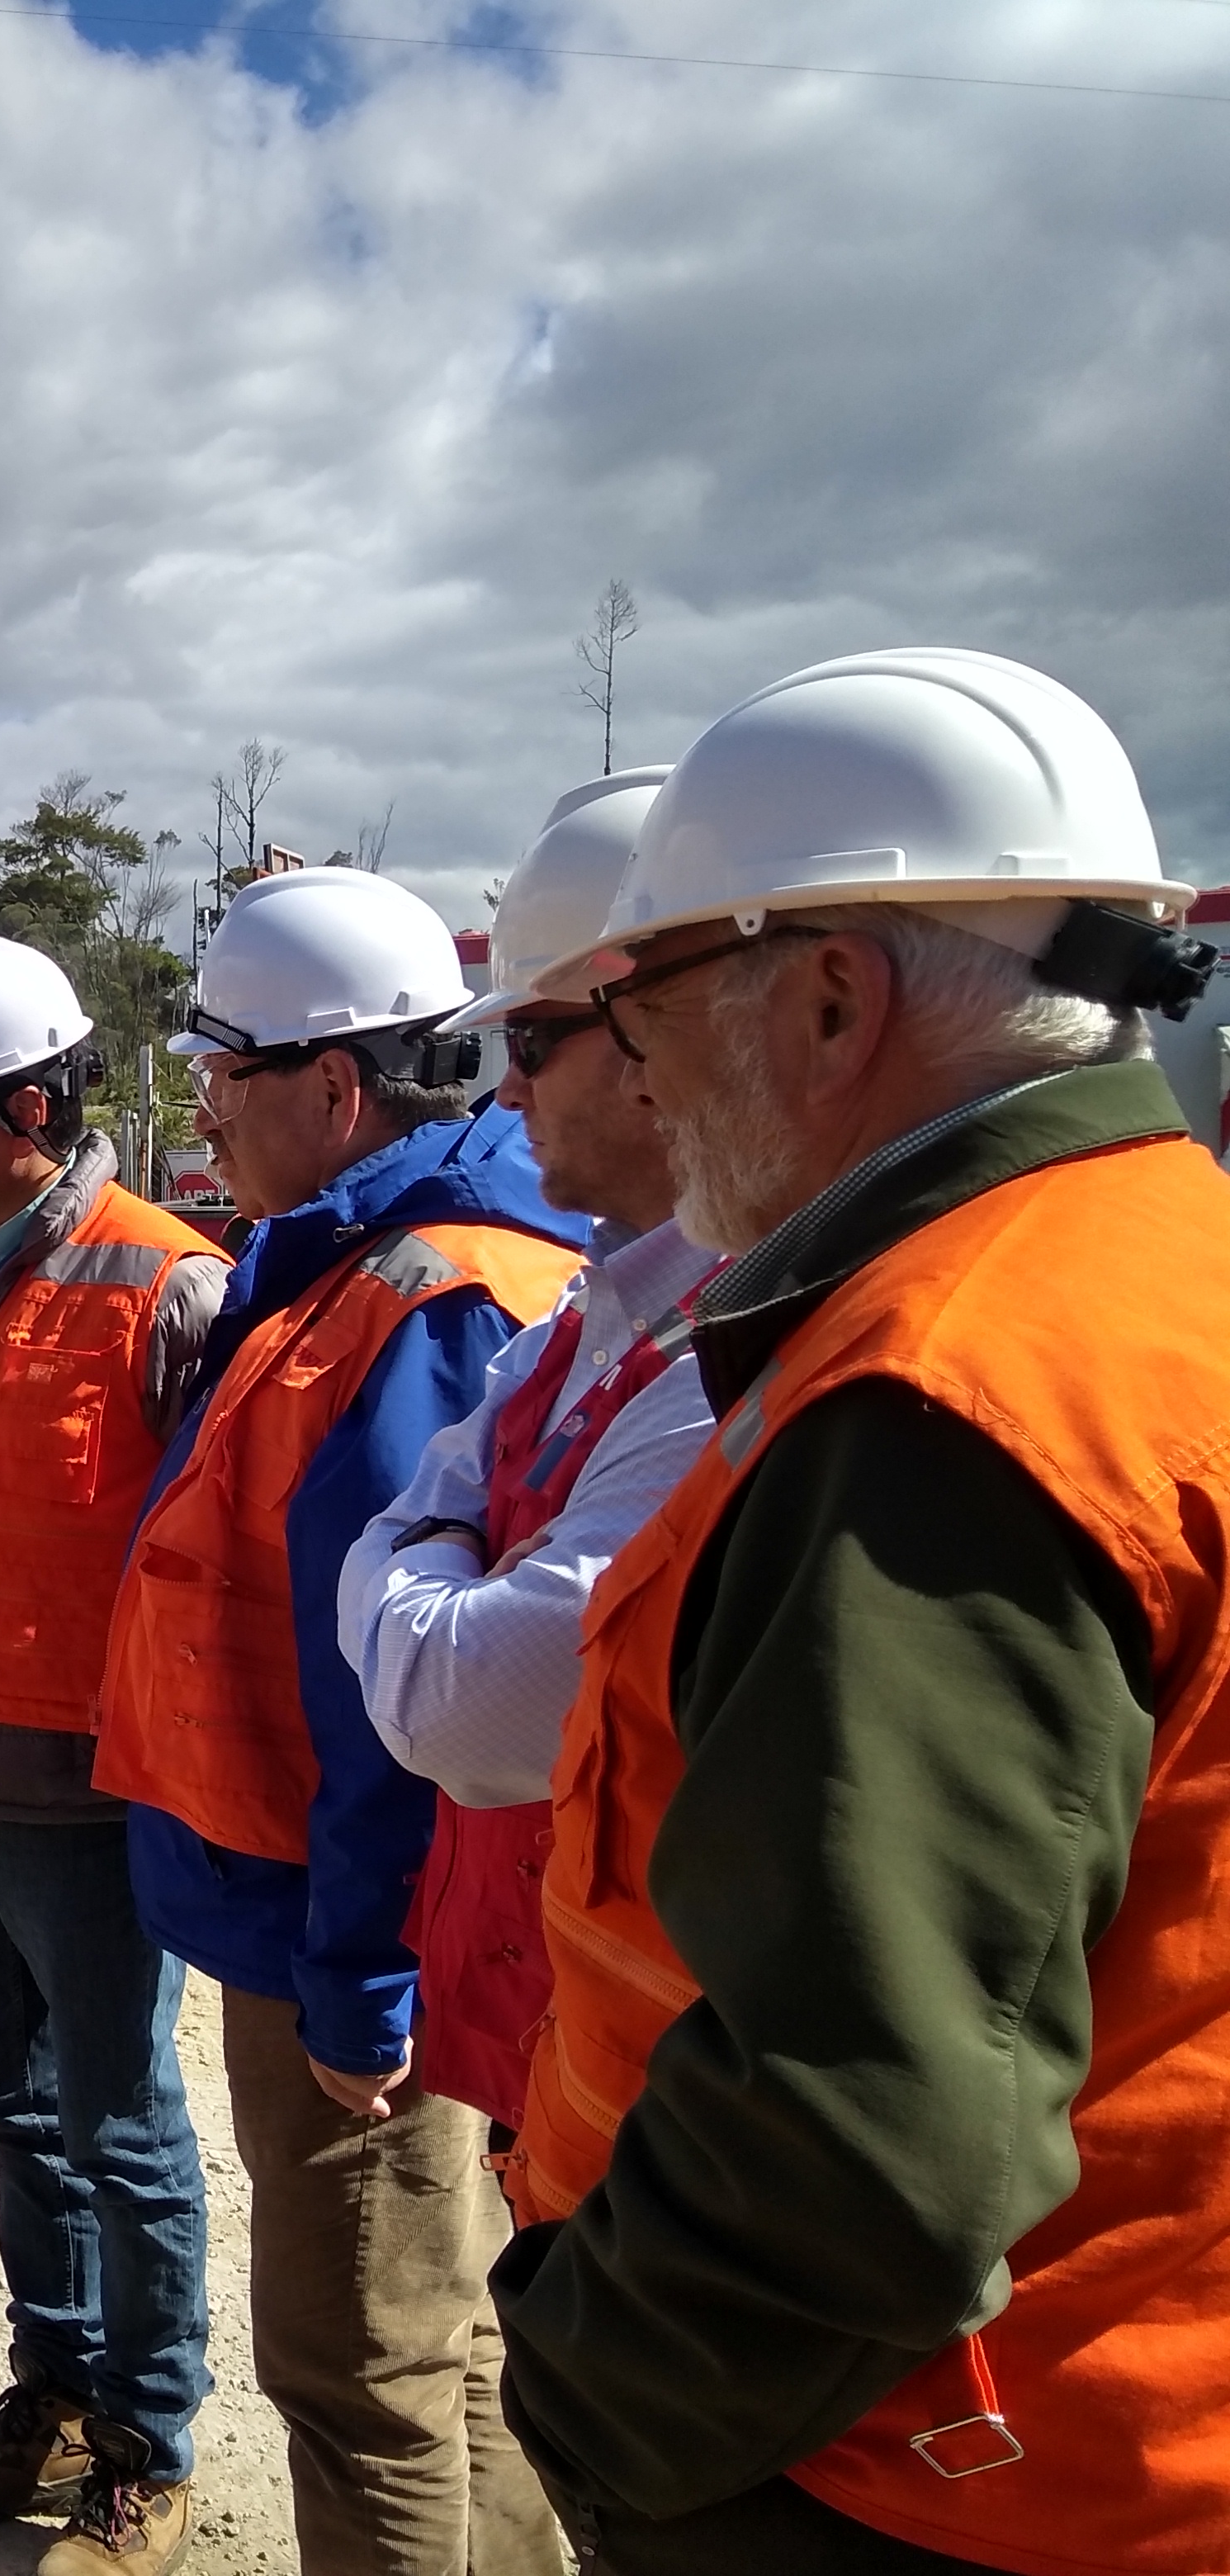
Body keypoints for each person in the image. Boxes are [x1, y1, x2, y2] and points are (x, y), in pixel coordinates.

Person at [493, 649, 1230, 2575]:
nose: (629, 1071)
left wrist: (591, 2393)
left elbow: (865, 2132)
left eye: (640, 1008)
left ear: (825, 994)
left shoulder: (939, 1397)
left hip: (906, 2473)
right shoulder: (1164, 1265)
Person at [94, 869, 586, 2576]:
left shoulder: (430, 1298)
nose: (206, 1117)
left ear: (332, 1085)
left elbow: (407, 1700)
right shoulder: (341, 1269)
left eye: (225, 1081)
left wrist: (364, 1980)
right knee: (444, 2349)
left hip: (359, 1937)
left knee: (362, 2362)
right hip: (321, 1911)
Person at [0, 934, 229, 2576]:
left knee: (119, 2115)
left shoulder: (169, 1286)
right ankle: (54, 2385)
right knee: (2, 2095)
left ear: (22, 1105)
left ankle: (148, 2437)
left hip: (86, 1797)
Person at [336, 771, 717, 2156]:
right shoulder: (589, 1310)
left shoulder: (726, 1349)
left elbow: (470, 1711)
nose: (508, 1085)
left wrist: (425, 1558)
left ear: (658, 1038)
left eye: (541, 1038)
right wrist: (437, 1555)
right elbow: (413, 1522)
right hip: (546, 2011)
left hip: (658, 2080)